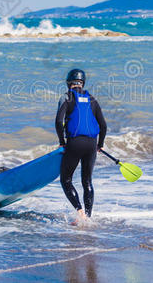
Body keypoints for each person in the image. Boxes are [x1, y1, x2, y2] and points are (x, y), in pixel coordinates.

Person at [55, 68, 107, 223]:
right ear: (82, 82)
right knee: (87, 181)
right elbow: (103, 125)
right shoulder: (92, 99)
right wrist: (100, 144)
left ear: (68, 83)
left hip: (75, 143)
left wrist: (62, 142)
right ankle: (88, 218)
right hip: (91, 144)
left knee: (66, 180)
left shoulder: (66, 97)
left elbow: (59, 122)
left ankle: (80, 213)